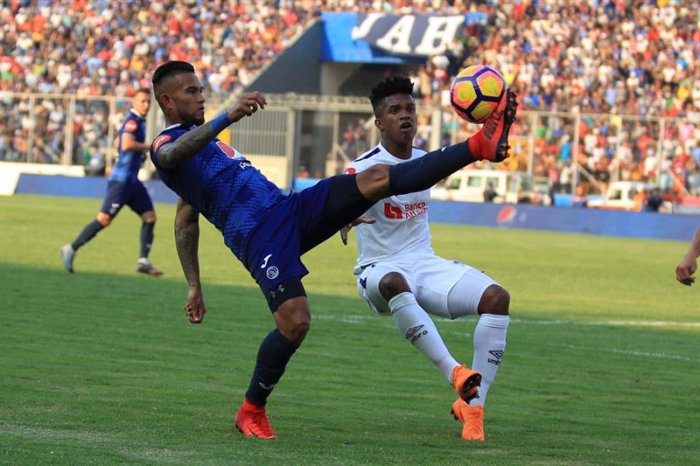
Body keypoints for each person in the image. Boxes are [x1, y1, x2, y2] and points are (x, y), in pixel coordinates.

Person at [148, 61, 517, 440]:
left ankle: (479, 145)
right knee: (295, 323)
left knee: (373, 179)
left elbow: (186, 216)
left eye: (200, 88)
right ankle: (250, 410)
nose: (201, 95)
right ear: (167, 101)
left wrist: (348, 210)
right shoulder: (165, 145)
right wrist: (228, 116)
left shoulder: (205, 143)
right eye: (191, 91)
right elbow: (177, 177)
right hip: (260, 237)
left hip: (288, 209)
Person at [340, 76, 510, 441]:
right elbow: (337, 202)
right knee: (394, 282)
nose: (405, 116)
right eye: (394, 110)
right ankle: (456, 374)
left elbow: (455, 160)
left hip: (423, 262)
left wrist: (498, 141)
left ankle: (474, 410)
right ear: (379, 122)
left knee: (497, 298)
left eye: (410, 109)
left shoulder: (424, 161)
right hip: (378, 270)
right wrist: (342, 216)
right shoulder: (362, 167)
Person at [60, 89, 163, 276]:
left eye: (148, 101)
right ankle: (71, 248)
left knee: (150, 217)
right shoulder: (132, 121)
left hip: (133, 181)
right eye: (142, 101)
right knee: (104, 220)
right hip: (121, 181)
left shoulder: (137, 121)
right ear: (134, 102)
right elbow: (126, 144)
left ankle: (143, 260)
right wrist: (151, 146)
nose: (146, 105)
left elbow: (118, 142)